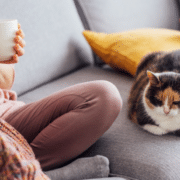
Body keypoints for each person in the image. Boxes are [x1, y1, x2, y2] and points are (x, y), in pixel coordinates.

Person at [1, 24, 123, 175]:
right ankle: (35, 174)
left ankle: (26, 171)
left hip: (8, 112)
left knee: (105, 96)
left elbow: (4, 82)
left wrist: (7, 57)